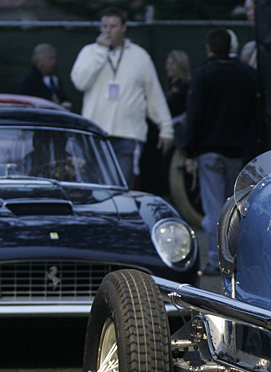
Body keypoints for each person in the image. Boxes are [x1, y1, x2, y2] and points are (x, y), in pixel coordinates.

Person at [70, 7, 173, 189]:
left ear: (124, 27)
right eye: (104, 26)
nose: (108, 31)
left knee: (122, 188)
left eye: (113, 26)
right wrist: (101, 51)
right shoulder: (89, 52)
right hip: (95, 134)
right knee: (94, 187)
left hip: (128, 136)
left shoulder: (140, 56)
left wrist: (166, 128)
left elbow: (153, 95)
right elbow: (80, 82)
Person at [184, 28, 260, 274]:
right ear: (231, 48)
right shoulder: (247, 75)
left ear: (209, 48)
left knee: (214, 207)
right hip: (238, 152)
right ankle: (237, 256)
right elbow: (253, 116)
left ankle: (216, 259)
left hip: (209, 150)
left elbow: (194, 115)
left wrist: (189, 149)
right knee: (236, 205)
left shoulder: (204, 74)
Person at [16, 44, 71, 109]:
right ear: (39, 60)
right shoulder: (27, 82)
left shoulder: (55, 80)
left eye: (54, 58)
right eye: (50, 58)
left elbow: (63, 99)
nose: (53, 62)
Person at [164, 50, 191, 119]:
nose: (168, 67)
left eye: (172, 64)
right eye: (167, 64)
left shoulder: (186, 85)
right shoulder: (169, 84)